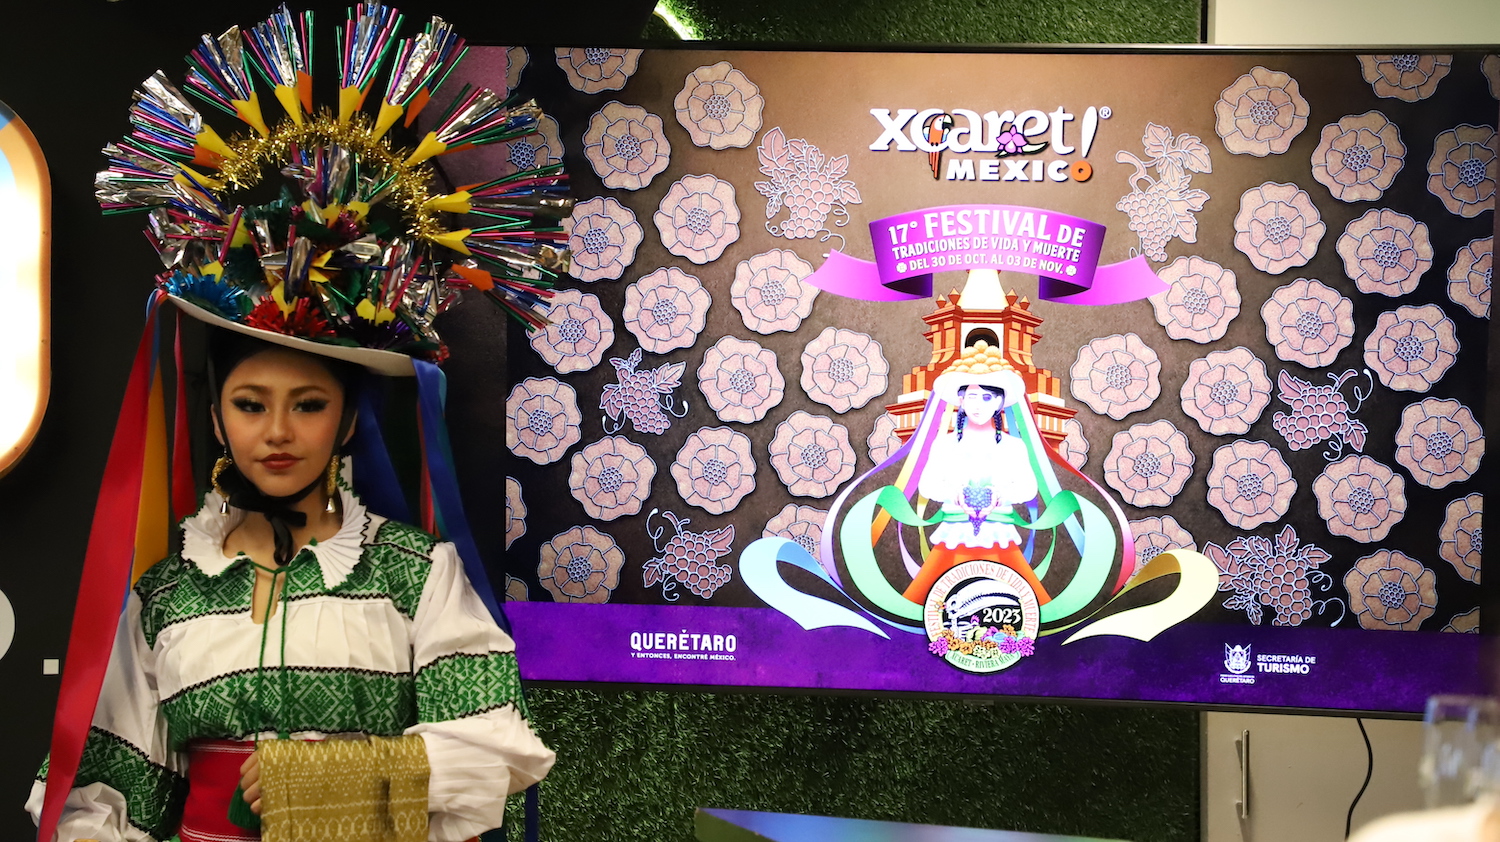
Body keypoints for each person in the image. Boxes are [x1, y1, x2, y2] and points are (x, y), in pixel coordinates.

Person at [28, 330, 553, 842]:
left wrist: (337, 777)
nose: (278, 431)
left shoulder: (414, 570)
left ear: (347, 420)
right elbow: (106, 796)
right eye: (250, 405)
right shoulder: (167, 594)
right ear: (216, 420)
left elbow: (496, 744)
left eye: (308, 405)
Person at [903, 341, 1051, 606]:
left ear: (1000, 402)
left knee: (1010, 601)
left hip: (998, 533)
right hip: (954, 532)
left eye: (987, 397)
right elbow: (927, 485)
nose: (978, 405)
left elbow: (1029, 487)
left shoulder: (1013, 446)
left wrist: (999, 495)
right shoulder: (945, 444)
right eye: (971, 396)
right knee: (938, 601)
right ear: (960, 400)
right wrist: (955, 494)